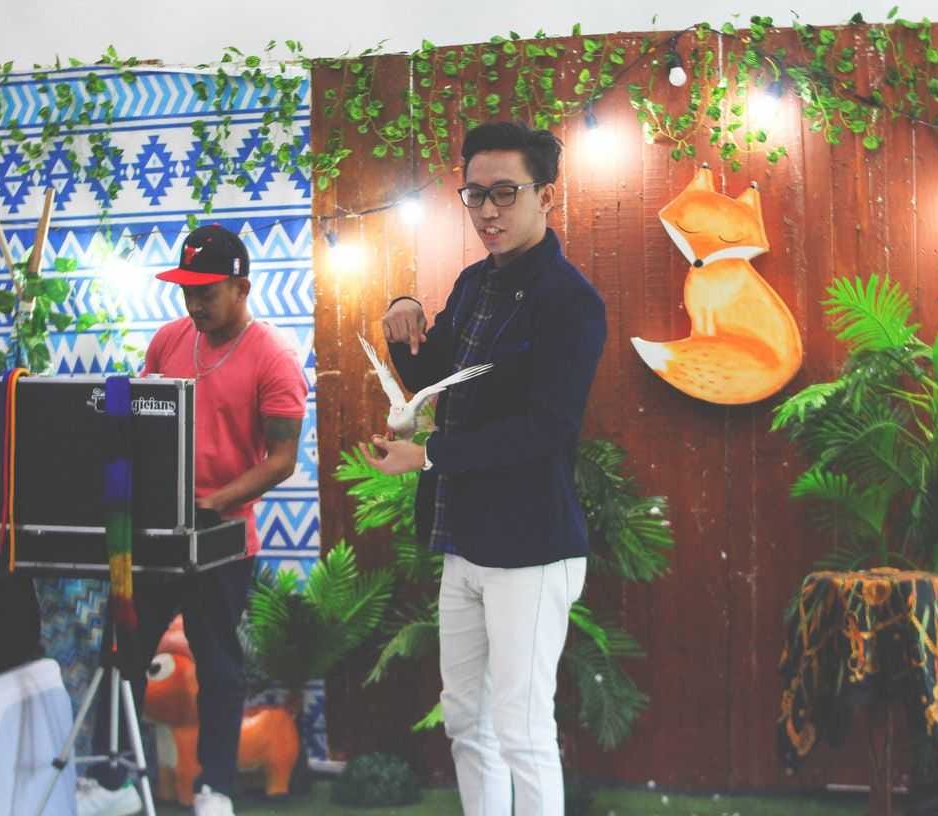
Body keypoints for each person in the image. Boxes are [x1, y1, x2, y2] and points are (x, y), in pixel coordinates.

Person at [360, 121, 607, 815]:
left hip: (532, 547)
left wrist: (429, 455)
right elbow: (435, 376)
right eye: (474, 194)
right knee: (466, 718)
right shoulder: (474, 283)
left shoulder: (571, 301)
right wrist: (404, 313)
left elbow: (547, 429)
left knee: (522, 729)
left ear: (545, 196)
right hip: (463, 537)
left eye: (505, 193)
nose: (487, 211)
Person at [78, 224, 307, 816]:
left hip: (222, 538)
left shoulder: (274, 360)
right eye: (187, 291)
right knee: (123, 649)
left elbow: (282, 460)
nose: (194, 304)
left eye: (206, 292)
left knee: (219, 665)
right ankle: (116, 783)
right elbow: (145, 423)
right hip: (156, 532)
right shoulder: (168, 341)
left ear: (241, 287)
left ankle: (216, 789)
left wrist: (216, 501)